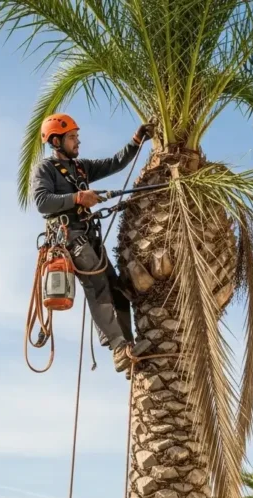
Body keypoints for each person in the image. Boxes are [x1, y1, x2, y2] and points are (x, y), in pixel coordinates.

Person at [33, 113, 154, 373]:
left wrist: (136, 141)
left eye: (77, 136)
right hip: (69, 238)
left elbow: (114, 163)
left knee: (117, 287)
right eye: (72, 138)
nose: (78, 142)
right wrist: (78, 198)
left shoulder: (80, 168)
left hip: (88, 235)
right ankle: (118, 346)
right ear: (56, 141)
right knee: (98, 286)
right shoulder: (46, 169)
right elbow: (42, 202)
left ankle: (128, 346)